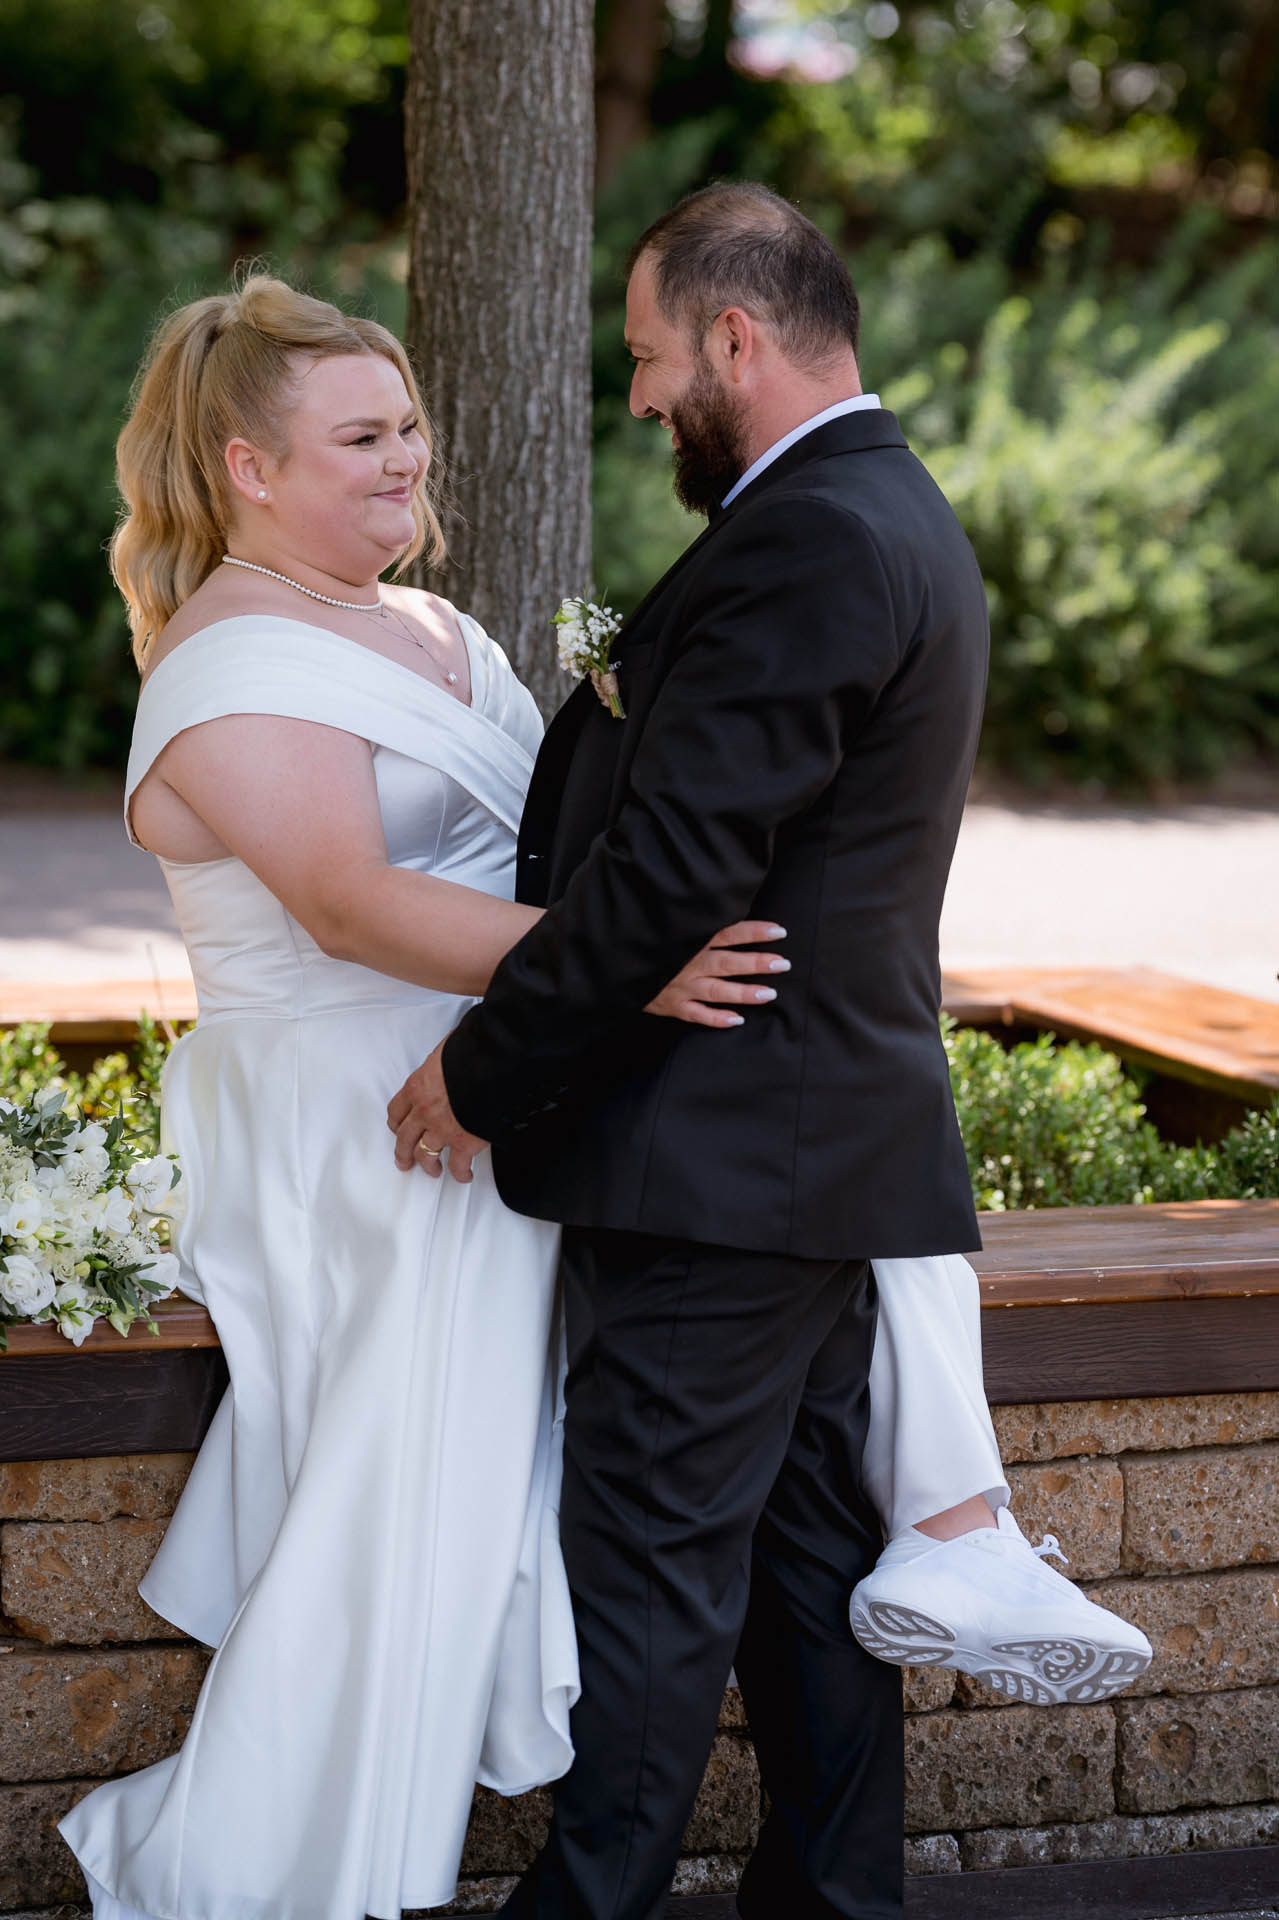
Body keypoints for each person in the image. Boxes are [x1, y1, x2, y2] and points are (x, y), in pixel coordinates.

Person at [387, 184, 1149, 1920]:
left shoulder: (811, 536)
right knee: (806, 1572)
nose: (641, 396)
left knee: (651, 1575)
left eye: (651, 356)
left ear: (735, 337)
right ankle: (838, 1902)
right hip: (797, 1158)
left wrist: (482, 1073)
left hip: (719, 1159)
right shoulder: (881, 510)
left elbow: (673, 869)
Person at [56, 275, 783, 1920]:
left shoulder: (438, 630)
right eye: (363, 438)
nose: (407, 461)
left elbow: (538, 857)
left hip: (492, 1064)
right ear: (248, 469)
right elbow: (349, 905)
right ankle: (267, 1866)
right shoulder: (228, 657)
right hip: (345, 1106)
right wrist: (629, 967)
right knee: (406, 1474)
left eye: (410, 427)